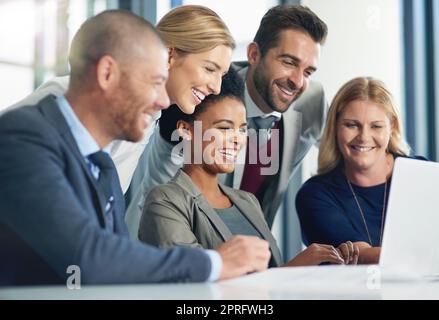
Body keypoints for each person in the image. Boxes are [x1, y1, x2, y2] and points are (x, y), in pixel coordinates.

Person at [0, 10, 270, 286]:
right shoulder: (28, 132)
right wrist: (214, 262)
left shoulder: (107, 162)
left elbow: (114, 246)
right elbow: (89, 254)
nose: (161, 102)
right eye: (154, 82)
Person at [126, 4, 329, 239]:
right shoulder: (200, 95)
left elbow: (354, 152)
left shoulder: (311, 101)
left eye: (308, 71)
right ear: (254, 54)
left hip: (252, 248)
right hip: (179, 241)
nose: (297, 81)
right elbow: (159, 190)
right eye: (289, 62)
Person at [3, 5, 235, 194]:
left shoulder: (147, 122)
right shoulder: (66, 96)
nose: (216, 88)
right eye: (209, 69)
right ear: (170, 55)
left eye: (221, 75)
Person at [139, 69, 357, 267]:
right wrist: (294, 267)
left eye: (242, 130)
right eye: (224, 128)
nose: (237, 140)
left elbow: (266, 277)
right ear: (186, 130)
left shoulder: (247, 201)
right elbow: (192, 281)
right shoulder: (165, 201)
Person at [296, 77, 426, 264]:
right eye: (351, 125)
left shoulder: (421, 174)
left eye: (376, 126)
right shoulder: (315, 195)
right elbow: (361, 257)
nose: (364, 137)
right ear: (335, 128)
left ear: (392, 128)